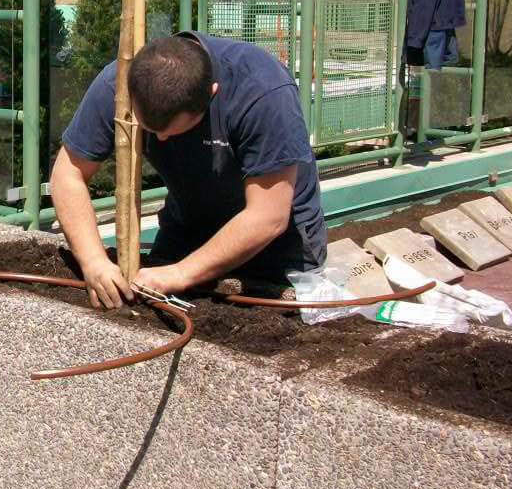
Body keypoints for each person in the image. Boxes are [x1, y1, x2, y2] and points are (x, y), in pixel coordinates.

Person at [51, 33, 326, 310]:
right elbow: (68, 173)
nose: (160, 140)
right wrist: (93, 261)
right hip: (187, 229)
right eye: (150, 130)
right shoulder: (119, 83)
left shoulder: (262, 91)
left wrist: (181, 273)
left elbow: (267, 216)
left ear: (212, 93)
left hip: (276, 248)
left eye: (172, 132)